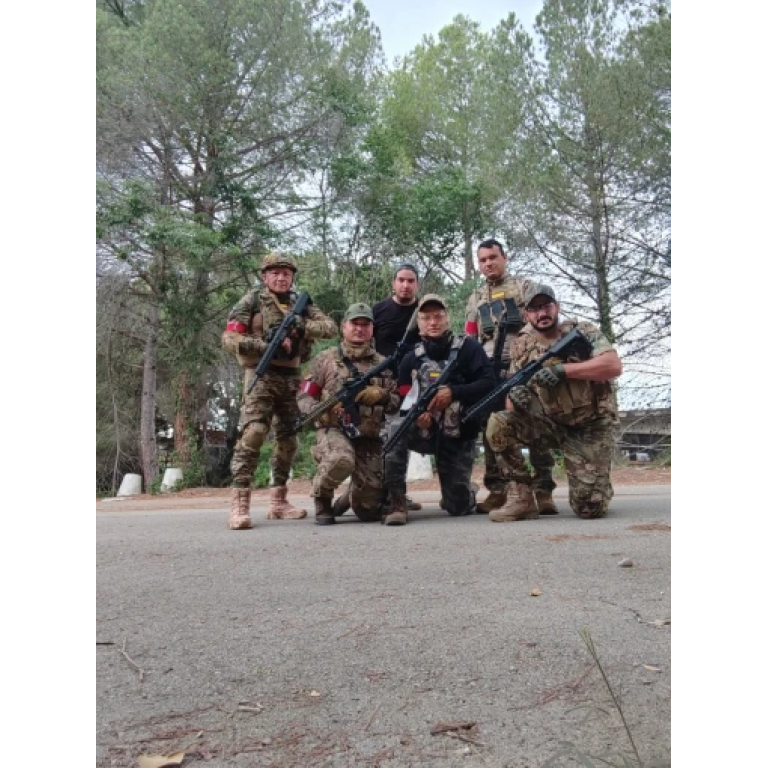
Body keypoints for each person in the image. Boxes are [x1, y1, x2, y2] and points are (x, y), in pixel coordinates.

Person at [485, 283, 623, 522]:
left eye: (546, 306)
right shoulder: (522, 345)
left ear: (557, 307)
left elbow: (612, 366)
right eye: (534, 309)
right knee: (499, 423)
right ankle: (521, 498)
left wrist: (564, 370)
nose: (542, 313)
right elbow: (511, 400)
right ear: (526, 315)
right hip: (551, 424)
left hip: (590, 427)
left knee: (589, 508)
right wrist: (517, 398)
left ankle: (595, 480)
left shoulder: (583, 331)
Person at [221, 251, 337, 530]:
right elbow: (229, 337)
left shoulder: (300, 303)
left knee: (289, 438)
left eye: (286, 273)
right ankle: (240, 503)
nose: (281, 278)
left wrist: (301, 325)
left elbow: (330, 327)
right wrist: (264, 345)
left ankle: (279, 501)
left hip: (291, 376)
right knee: (254, 432)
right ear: (265, 277)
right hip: (260, 374)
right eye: (275, 273)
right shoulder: (251, 301)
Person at [382, 294, 496, 526]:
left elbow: (489, 383)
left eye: (438, 317)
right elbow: (404, 396)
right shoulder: (409, 358)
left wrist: (454, 392)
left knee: (458, 508)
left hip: (458, 431)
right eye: (426, 318)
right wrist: (416, 416)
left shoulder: (469, 348)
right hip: (423, 431)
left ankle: (466, 491)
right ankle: (396, 502)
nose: (432, 322)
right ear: (419, 323)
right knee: (395, 428)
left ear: (447, 319)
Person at [465, 238, 559, 516]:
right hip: (488, 371)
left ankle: (543, 489)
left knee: (535, 416)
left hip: (523, 365)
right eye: (483, 260)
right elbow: (470, 336)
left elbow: (542, 322)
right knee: (491, 426)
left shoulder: (524, 287)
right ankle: (499, 489)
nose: (488, 263)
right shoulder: (475, 297)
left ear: (504, 258)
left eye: (493, 257)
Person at [298, 303, 400, 525]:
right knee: (341, 459)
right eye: (355, 324)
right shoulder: (325, 360)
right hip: (334, 431)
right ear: (344, 326)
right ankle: (322, 499)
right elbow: (304, 397)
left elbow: (397, 403)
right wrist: (320, 411)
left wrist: (382, 395)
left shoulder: (384, 364)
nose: (360, 329)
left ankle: (350, 496)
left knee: (369, 511)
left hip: (369, 437)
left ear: (372, 329)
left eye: (365, 324)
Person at [371, 261, 423, 513]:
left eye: (410, 281)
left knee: (401, 435)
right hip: (382, 383)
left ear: (417, 284)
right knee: (381, 437)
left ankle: (398, 492)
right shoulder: (379, 310)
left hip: (413, 383)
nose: (405, 285)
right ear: (393, 283)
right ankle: (381, 492)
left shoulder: (424, 311)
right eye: (401, 280)